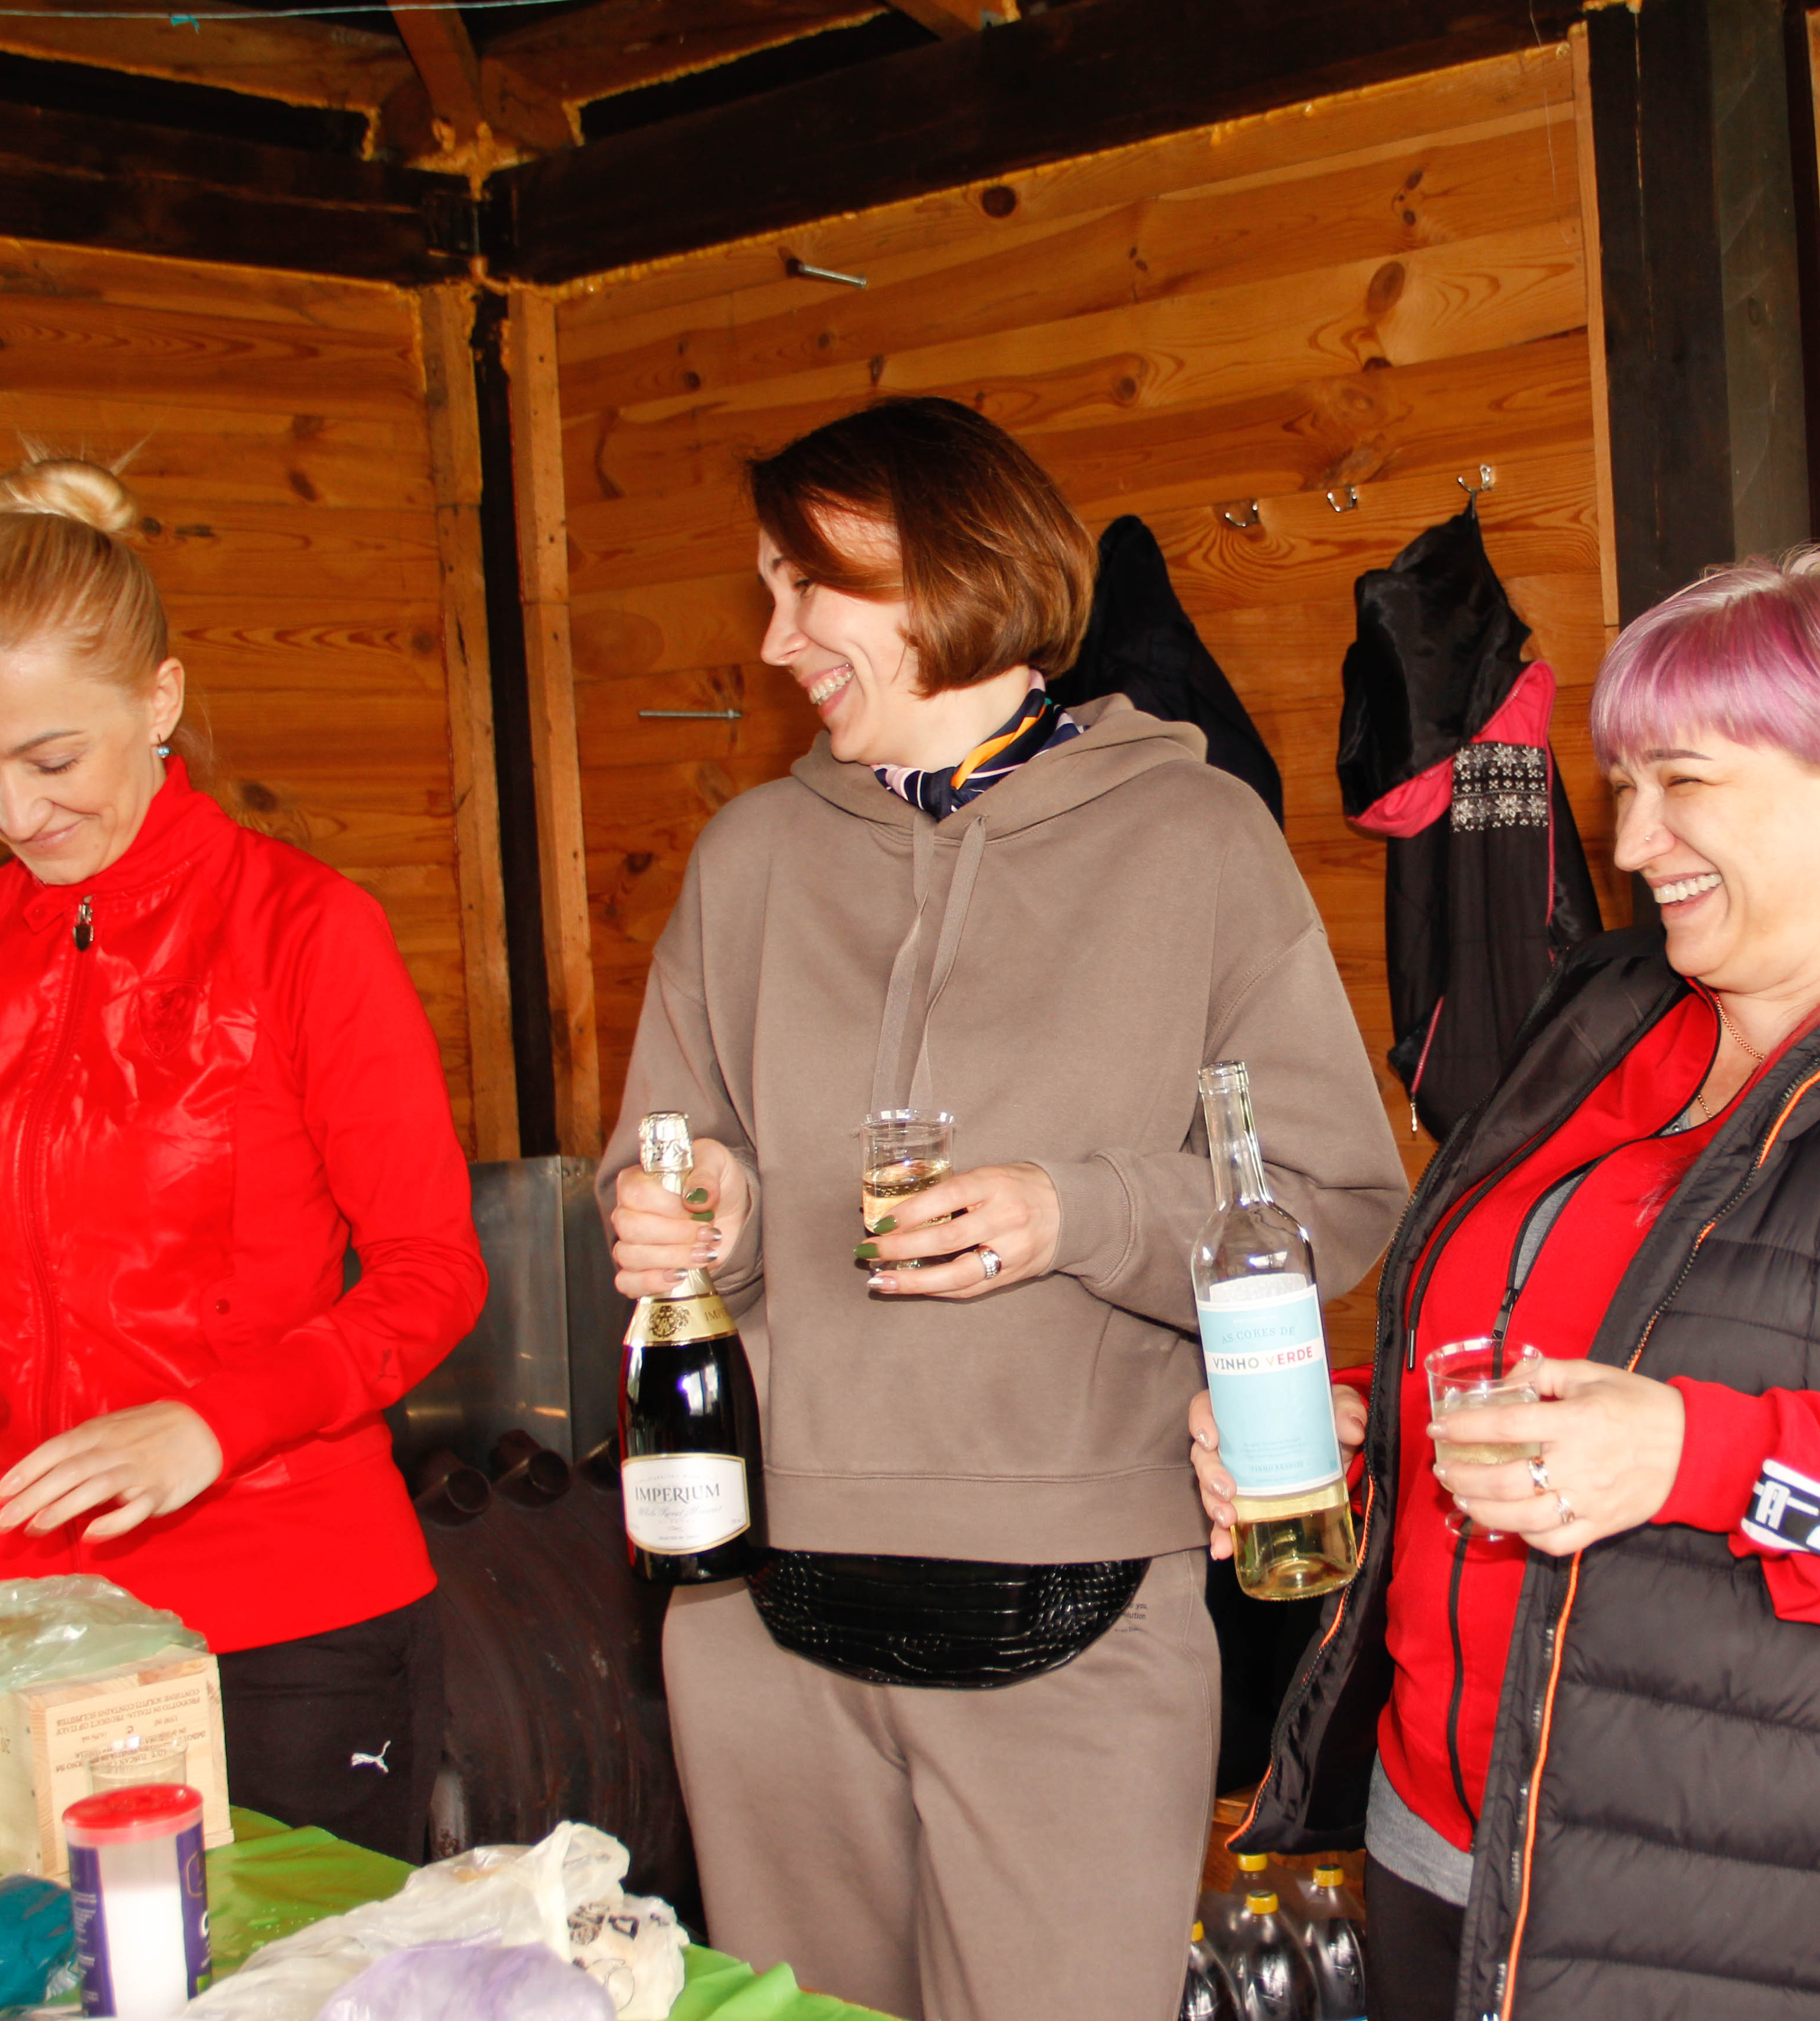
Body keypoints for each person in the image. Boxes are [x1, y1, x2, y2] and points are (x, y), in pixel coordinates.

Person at [1211, 550, 1820, 2020]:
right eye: (1622, 787)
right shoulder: (1606, 1012)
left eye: (1684, 783)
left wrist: (1694, 1457)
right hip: (1438, 1836)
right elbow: (1524, 1340)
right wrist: (1348, 1428)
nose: (1635, 836)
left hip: (1750, 1910)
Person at [599, 396, 1405, 2021]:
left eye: (807, 588)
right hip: (757, 1609)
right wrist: (702, 1221)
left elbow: (1334, 1196)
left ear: (949, 570)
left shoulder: (1197, 838)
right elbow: (664, 1174)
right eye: (767, 592)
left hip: (1077, 1612)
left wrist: (1076, 1213)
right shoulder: (748, 858)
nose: (773, 641)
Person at [0, 460, 487, 1861]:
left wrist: (211, 1427)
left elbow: (431, 1275)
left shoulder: (307, 933)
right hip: (19, 1606)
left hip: (288, 1614)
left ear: (159, 703)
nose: (12, 809)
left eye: (52, 761)